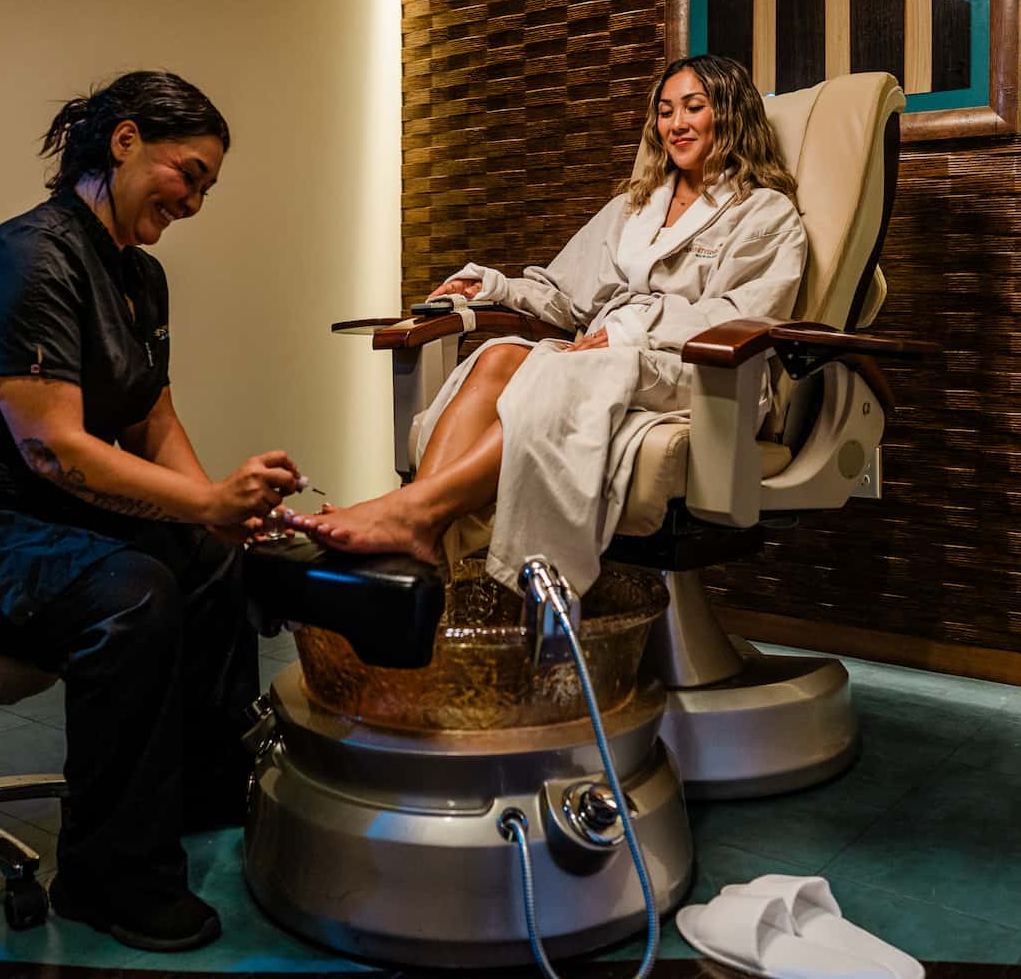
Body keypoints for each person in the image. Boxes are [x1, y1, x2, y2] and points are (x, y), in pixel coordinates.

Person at [0, 69, 301, 952]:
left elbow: (152, 416)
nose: (196, 199)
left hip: (20, 516)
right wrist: (205, 499)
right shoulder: (28, 257)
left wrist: (216, 516)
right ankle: (108, 877)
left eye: (207, 186)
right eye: (188, 173)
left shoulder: (139, 279)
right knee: (131, 595)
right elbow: (54, 448)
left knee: (211, 560)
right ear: (124, 143)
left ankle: (198, 794)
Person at [287, 53, 807, 594]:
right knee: (498, 356)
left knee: (559, 372)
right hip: (608, 358)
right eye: (666, 111)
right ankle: (426, 544)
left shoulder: (765, 214)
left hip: (703, 376)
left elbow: (740, 317)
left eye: (693, 108)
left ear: (731, 114)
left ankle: (411, 511)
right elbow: (566, 293)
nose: (676, 124)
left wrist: (632, 331)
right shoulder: (633, 208)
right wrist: (495, 287)